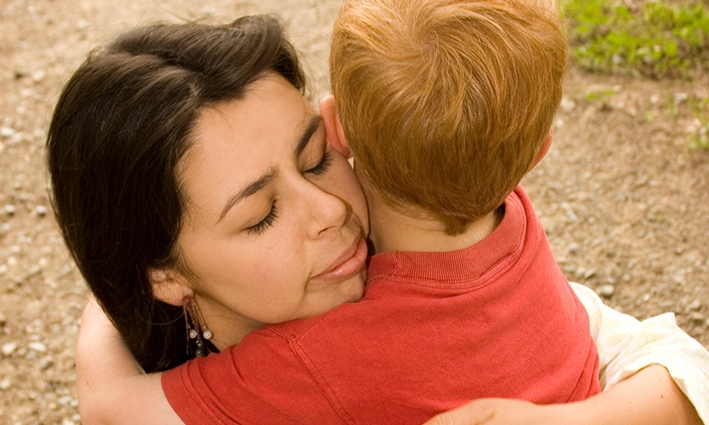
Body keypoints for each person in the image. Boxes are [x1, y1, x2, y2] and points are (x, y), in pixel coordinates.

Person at [54, 12, 708, 425]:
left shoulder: (378, 304)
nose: (331, 209)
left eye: (317, 159)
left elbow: (665, 354)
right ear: (165, 270)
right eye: (260, 214)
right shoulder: (496, 229)